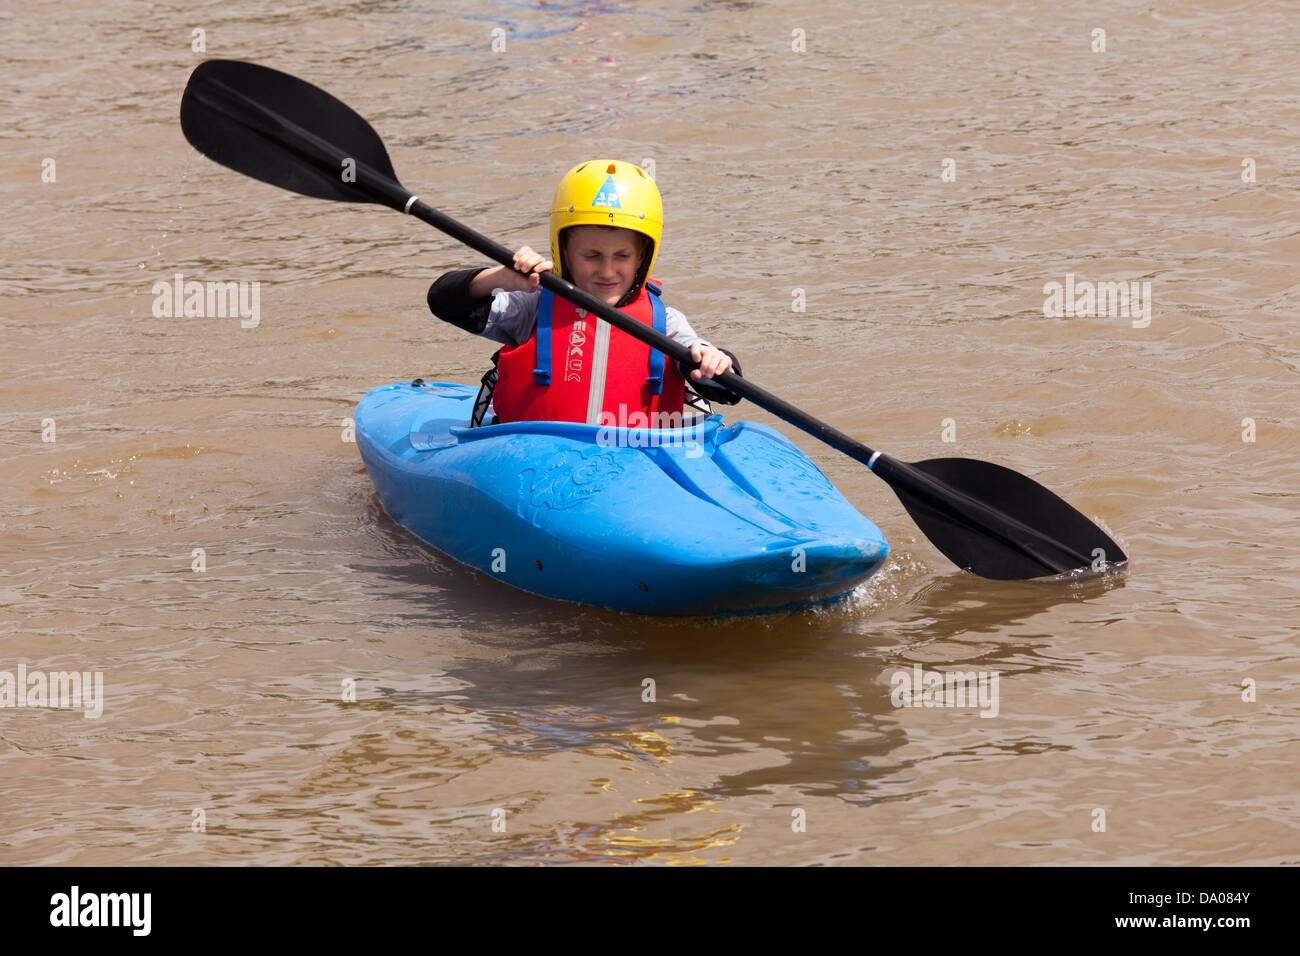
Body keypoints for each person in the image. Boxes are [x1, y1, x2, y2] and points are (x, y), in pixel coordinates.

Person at [427, 159, 741, 427]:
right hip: (533, 457)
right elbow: (444, 302)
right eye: (591, 256)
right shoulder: (533, 309)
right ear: (562, 251)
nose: (606, 271)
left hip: (634, 463)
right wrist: (502, 277)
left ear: (642, 258)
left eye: (621, 257)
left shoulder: (666, 324)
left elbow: (727, 391)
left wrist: (715, 362)